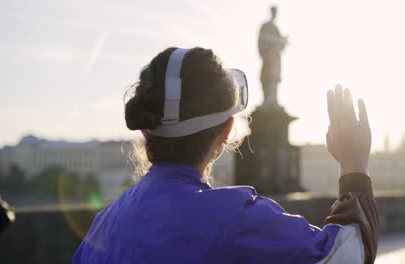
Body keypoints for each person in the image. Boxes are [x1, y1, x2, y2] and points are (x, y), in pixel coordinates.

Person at [73, 47, 377, 264]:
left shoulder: (104, 225)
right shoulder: (235, 220)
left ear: (145, 132)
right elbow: (349, 254)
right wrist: (353, 164)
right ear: (226, 131)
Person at [258, 6, 289, 105]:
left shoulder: (276, 29)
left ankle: (273, 100)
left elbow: (281, 45)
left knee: (274, 78)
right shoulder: (265, 26)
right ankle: (266, 100)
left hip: (275, 58)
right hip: (268, 57)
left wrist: (283, 41)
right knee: (266, 78)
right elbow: (261, 41)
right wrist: (266, 52)